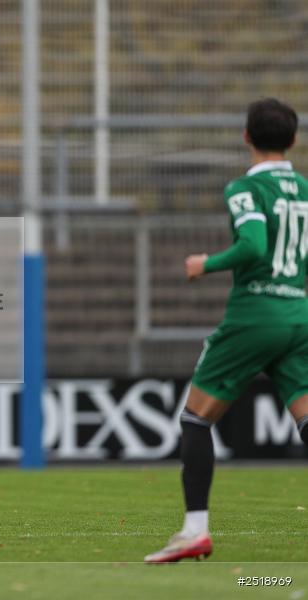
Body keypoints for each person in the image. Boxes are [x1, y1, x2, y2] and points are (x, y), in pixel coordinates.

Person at [145, 98, 308, 563]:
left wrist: (206, 263)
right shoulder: (304, 189)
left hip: (256, 313)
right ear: (293, 140)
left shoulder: (244, 188)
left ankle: (194, 530)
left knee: (196, 418)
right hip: (298, 312)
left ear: (246, 137)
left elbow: (253, 244)